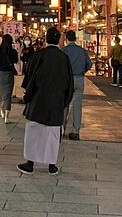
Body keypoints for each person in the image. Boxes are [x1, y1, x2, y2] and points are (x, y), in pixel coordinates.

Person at [18, 27, 74, 176]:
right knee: (53, 135)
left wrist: (27, 96)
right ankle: (52, 165)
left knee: (34, 132)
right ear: (59, 40)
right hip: (56, 102)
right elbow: (70, 84)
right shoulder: (64, 58)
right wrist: (64, 102)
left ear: (46, 39)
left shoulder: (38, 56)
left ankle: (30, 163)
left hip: (38, 101)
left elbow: (30, 79)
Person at [62, 30, 92, 141]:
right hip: (79, 79)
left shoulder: (64, 51)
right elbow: (89, 64)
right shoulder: (82, 51)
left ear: (66, 39)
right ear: (75, 38)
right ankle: (75, 132)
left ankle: (62, 129)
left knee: (64, 104)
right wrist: (83, 70)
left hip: (67, 79)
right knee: (77, 106)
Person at [0, 33, 18, 124]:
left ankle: (2, 110)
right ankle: (7, 114)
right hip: (9, 74)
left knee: (1, 93)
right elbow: (16, 60)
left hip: (0, 74)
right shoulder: (13, 51)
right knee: (8, 94)